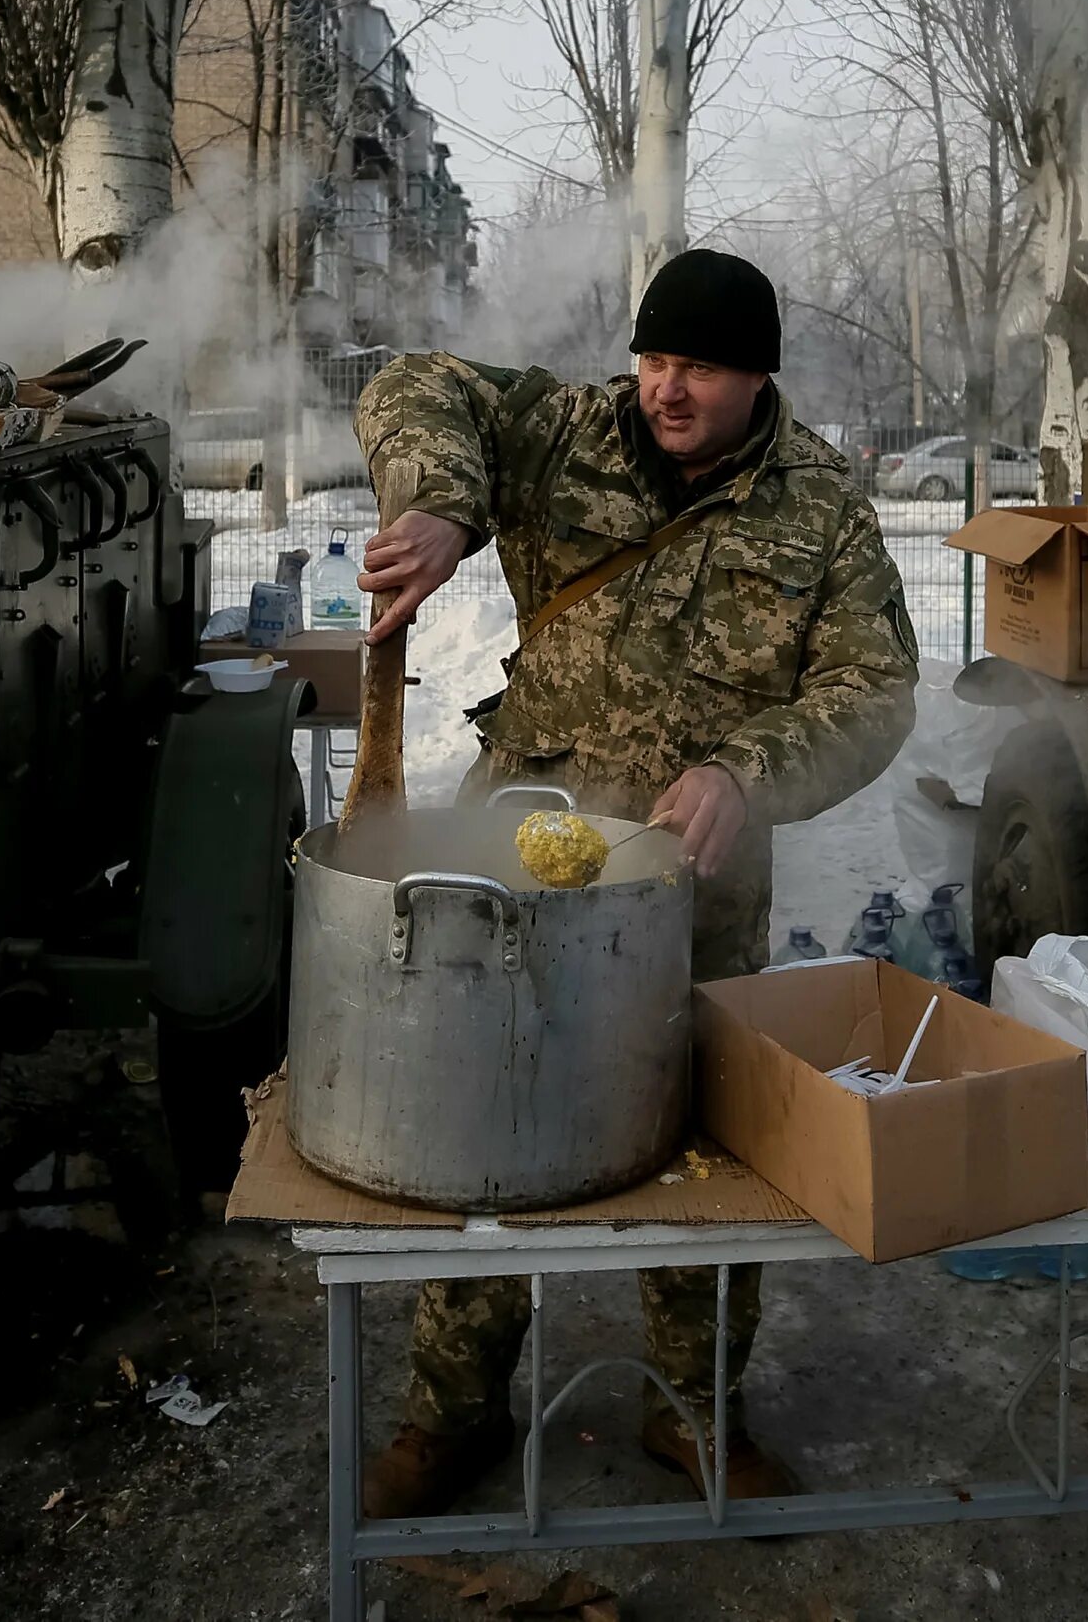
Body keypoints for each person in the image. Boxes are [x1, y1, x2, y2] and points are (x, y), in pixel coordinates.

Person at [349, 247, 919, 1518]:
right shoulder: (561, 431)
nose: (668, 388)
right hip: (520, 864)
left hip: (693, 889)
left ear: (757, 375)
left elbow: (874, 693)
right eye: (655, 358)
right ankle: (449, 1412)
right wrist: (442, 503)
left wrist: (747, 769)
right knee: (485, 1120)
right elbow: (410, 380)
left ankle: (692, 1412)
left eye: (701, 367)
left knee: (712, 1142)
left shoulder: (823, 505)